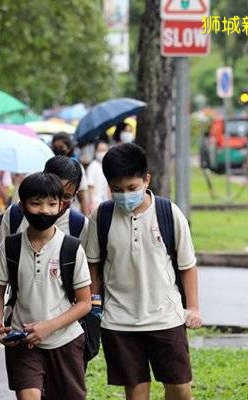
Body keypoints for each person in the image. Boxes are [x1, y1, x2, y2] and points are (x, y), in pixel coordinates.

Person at [86, 143, 202, 400]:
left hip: (166, 317)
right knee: (136, 393)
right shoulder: (101, 217)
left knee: (180, 389)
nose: (125, 195)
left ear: (146, 179)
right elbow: (93, 264)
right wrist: (94, 304)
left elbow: (187, 265)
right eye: (117, 190)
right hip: (120, 320)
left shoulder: (169, 213)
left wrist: (193, 308)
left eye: (131, 188)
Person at [0, 172, 92, 400]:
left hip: (66, 341)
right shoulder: (10, 247)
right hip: (23, 341)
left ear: (61, 206)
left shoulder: (72, 248)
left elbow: (84, 303)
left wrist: (49, 326)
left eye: (51, 204)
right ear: (22, 206)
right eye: (36, 203)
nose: (44, 210)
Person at [0, 155, 90, 321]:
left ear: (75, 194)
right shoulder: (15, 215)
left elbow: (84, 281)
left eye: (65, 197)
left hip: (63, 322)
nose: (58, 202)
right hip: (20, 315)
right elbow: (0, 262)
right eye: (54, 193)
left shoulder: (79, 224)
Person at [51, 133, 89, 213]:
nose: (57, 150)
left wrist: (86, 216)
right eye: (55, 147)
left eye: (61, 147)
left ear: (68, 148)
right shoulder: (50, 165)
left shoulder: (76, 167)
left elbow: (83, 196)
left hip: (72, 213)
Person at [86, 140, 111, 209]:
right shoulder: (92, 166)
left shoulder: (109, 166)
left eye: (105, 150)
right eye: (100, 150)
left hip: (107, 200)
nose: (102, 153)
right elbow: (90, 185)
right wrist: (91, 202)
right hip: (95, 202)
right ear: (96, 151)